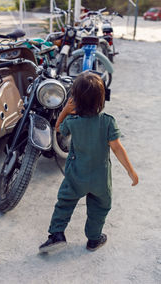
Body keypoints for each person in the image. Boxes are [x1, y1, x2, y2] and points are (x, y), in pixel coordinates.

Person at [39, 71, 138, 253]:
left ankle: (56, 235)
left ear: (75, 99)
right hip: (100, 179)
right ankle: (94, 239)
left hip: (76, 175)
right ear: (101, 100)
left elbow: (59, 129)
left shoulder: (73, 121)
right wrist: (130, 171)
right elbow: (117, 148)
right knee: (99, 208)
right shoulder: (108, 122)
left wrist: (65, 111)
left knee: (65, 203)